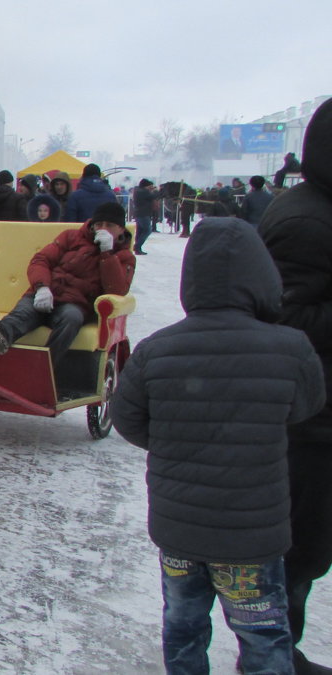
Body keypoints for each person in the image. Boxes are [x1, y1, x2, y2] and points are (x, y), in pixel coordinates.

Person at [111, 217, 326, 675]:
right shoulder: (292, 348)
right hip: (253, 538)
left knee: (183, 627)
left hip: (179, 535)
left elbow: (127, 419)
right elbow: (307, 407)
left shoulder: (157, 350)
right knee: (264, 633)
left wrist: (173, 440)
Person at [259, 97, 332, 675]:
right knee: (298, 548)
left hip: (316, 414)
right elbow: (283, 320)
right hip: (308, 419)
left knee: (306, 546)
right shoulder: (307, 220)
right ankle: (273, 656)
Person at [0, 201, 135, 372]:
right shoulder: (71, 237)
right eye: (98, 224)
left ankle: (44, 369)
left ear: (120, 229)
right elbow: (40, 260)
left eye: (109, 225)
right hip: (45, 293)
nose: (102, 229)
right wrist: (42, 287)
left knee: (71, 319)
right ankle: (1, 335)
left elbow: (116, 290)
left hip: (76, 304)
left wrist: (107, 254)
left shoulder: (125, 257)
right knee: (23, 313)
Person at [131, 178, 156, 255]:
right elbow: (154, 196)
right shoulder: (144, 192)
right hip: (144, 214)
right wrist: (156, 191)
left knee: (140, 231)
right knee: (147, 230)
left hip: (139, 214)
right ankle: (137, 246)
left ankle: (138, 248)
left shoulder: (137, 191)